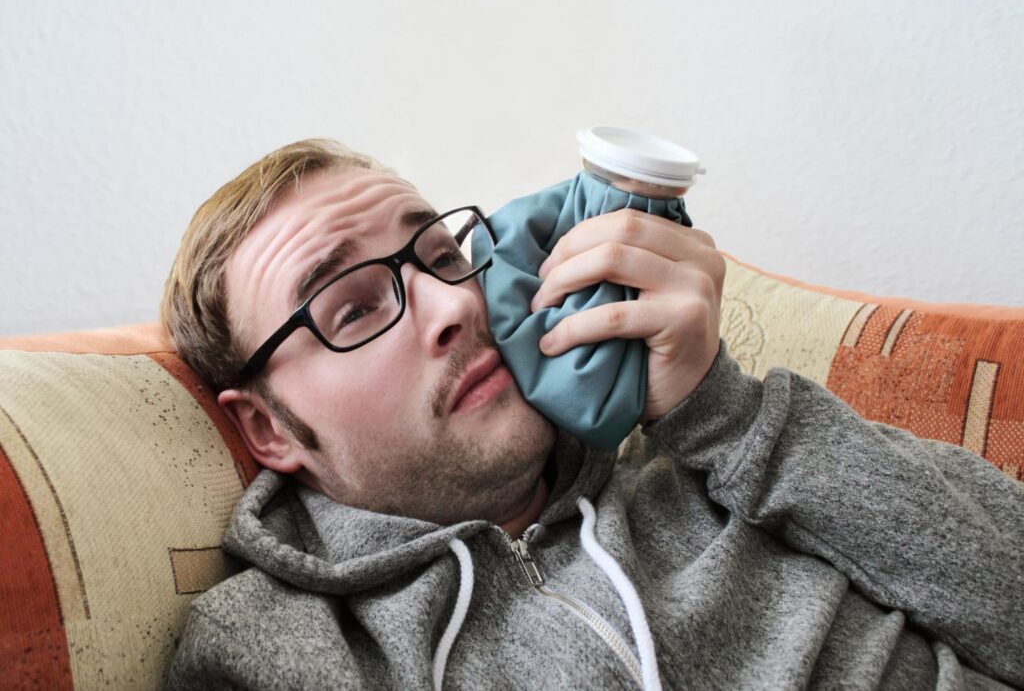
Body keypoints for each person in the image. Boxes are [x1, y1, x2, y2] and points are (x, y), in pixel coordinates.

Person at [162, 139, 1023, 690]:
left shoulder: (716, 447)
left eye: (439, 254)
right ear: (269, 429)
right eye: (352, 308)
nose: (451, 306)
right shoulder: (273, 651)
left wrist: (725, 417)